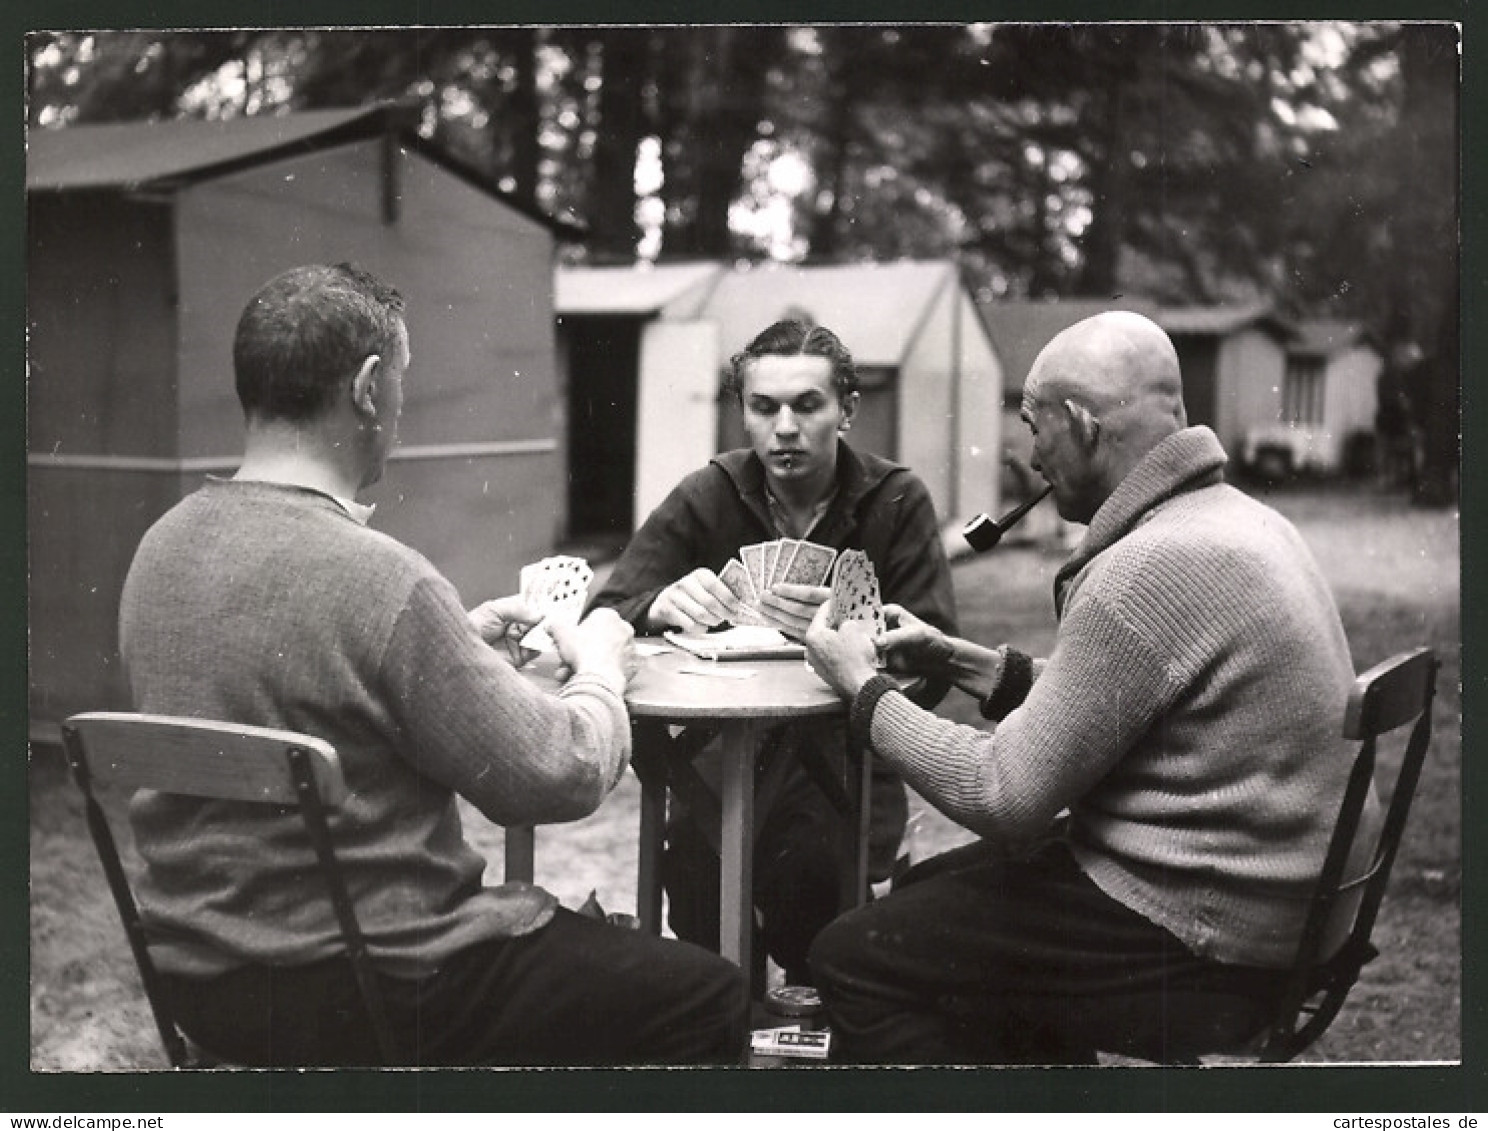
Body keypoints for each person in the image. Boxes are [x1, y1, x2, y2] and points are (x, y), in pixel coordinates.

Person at [117, 263, 748, 1067]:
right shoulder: (384, 579)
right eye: (404, 381)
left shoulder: (158, 550)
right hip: (378, 981)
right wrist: (599, 663)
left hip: (204, 982)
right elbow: (559, 773)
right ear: (370, 387)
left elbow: (286, 690)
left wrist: (455, 645)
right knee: (709, 995)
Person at [801, 310, 1381, 1064]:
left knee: (853, 954)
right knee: (921, 900)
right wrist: (960, 661)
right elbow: (1130, 702)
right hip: (1281, 910)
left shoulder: (1146, 567)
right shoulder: (1241, 522)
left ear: (1080, 424)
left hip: (1209, 939)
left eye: (1034, 424)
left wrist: (863, 687)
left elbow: (1003, 797)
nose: (1029, 453)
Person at [589, 319, 957, 990]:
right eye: (764, 407)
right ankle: (734, 1034)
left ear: (846, 409)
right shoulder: (709, 492)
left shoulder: (896, 497)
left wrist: (860, 638)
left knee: (817, 912)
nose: (785, 427)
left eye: (807, 405)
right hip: (724, 765)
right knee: (697, 892)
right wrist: (658, 603)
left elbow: (933, 662)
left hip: (850, 765)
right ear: (743, 415)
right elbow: (606, 608)